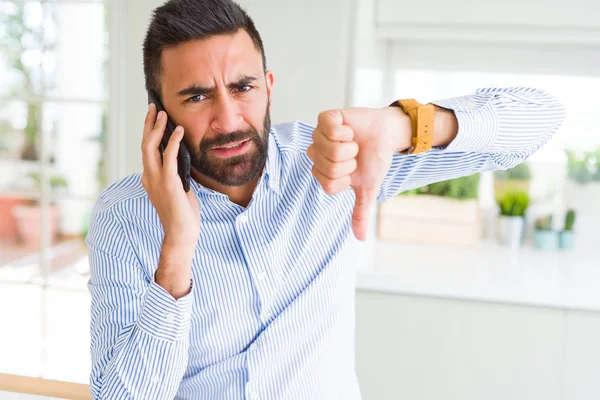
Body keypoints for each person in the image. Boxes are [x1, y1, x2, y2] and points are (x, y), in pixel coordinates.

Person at [85, 0, 565, 398]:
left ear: (268, 89)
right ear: (159, 115)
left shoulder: (338, 158)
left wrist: (403, 124)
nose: (228, 118)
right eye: (196, 97)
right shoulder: (124, 217)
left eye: (243, 87)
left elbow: (539, 120)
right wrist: (177, 253)